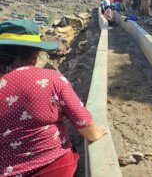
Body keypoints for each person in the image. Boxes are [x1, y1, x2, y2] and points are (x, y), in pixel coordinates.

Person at [0, 20, 107, 176]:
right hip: (55, 167)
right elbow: (82, 120)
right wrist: (95, 134)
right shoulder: (52, 79)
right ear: (35, 53)